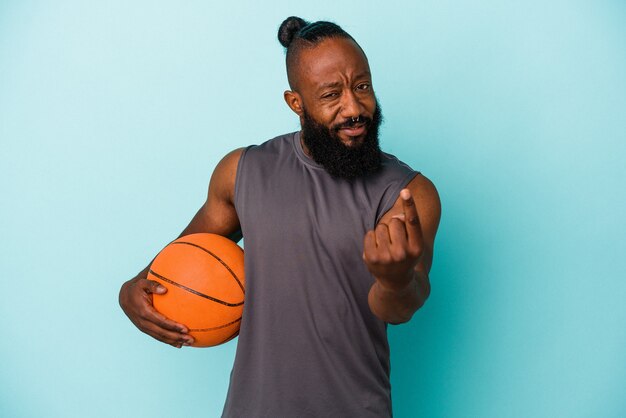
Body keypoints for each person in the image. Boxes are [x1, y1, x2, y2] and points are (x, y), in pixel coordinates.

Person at [119, 16, 441, 418]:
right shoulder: (242, 172)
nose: (354, 108)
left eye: (362, 86)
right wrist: (131, 292)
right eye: (331, 95)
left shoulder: (408, 193)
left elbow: (401, 307)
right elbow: (169, 268)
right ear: (296, 103)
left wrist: (394, 282)